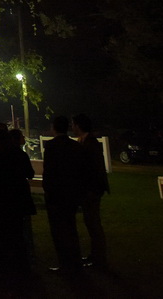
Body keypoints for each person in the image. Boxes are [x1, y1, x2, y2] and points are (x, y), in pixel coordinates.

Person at [0, 127, 36, 274]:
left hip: (4, 201)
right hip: (19, 199)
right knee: (18, 234)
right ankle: (23, 266)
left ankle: (8, 267)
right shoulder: (19, 154)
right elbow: (30, 173)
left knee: (6, 236)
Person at [43, 115, 86, 273]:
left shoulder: (51, 146)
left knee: (58, 230)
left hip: (56, 194)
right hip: (71, 193)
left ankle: (65, 262)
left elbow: (48, 171)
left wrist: (47, 189)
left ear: (54, 128)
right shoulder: (75, 146)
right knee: (71, 227)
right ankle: (75, 260)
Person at [73, 113, 109, 268]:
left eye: (73, 124)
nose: (72, 128)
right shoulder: (86, 142)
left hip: (92, 190)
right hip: (89, 189)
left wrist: (92, 189)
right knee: (91, 222)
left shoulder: (90, 144)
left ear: (79, 126)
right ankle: (95, 255)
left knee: (93, 223)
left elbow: (93, 169)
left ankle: (99, 257)